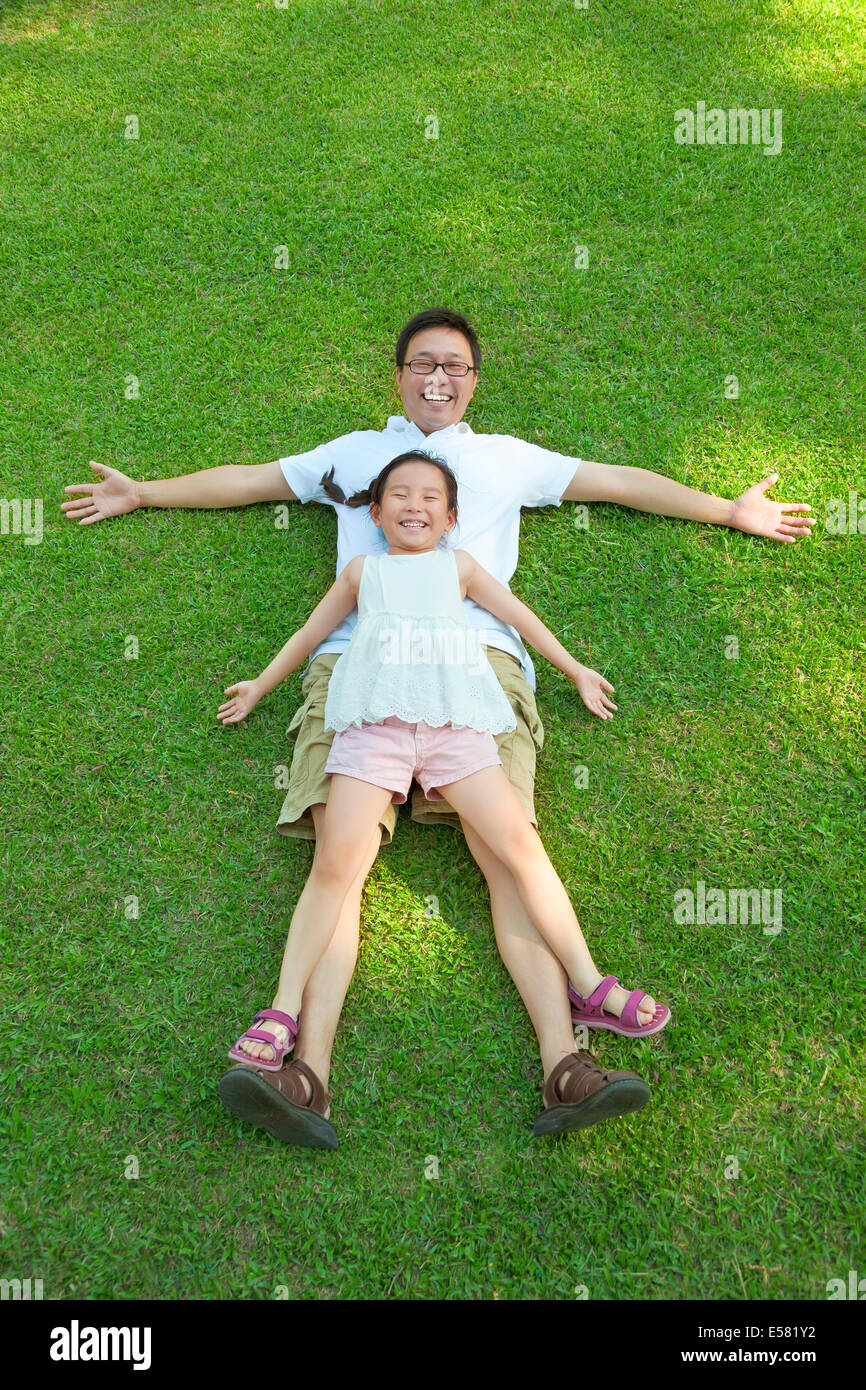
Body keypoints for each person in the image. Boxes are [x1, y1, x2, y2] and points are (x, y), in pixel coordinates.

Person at [60, 307, 814, 1146]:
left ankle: (568, 1063)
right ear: (399, 375)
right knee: (338, 861)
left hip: (477, 668)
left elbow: (621, 482)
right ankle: (305, 1072)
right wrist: (145, 493)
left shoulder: (504, 460)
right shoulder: (352, 455)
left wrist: (726, 510)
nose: (439, 379)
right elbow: (252, 480)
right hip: (357, 674)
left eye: (456, 366)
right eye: (424, 364)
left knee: (508, 849)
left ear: (474, 382)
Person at [216, 452, 670, 1147]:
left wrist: (575, 669)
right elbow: (310, 635)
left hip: (457, 728)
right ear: (374, 513)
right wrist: (260, 682)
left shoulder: (459, 569)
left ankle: (588, 983)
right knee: (335, 868)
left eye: (431, 497)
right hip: (375, 730)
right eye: (398, 494)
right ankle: (281, 1016)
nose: (414, 505)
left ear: (453, 518)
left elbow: (519, 614)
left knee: (519, 844)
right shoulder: (362, 572)